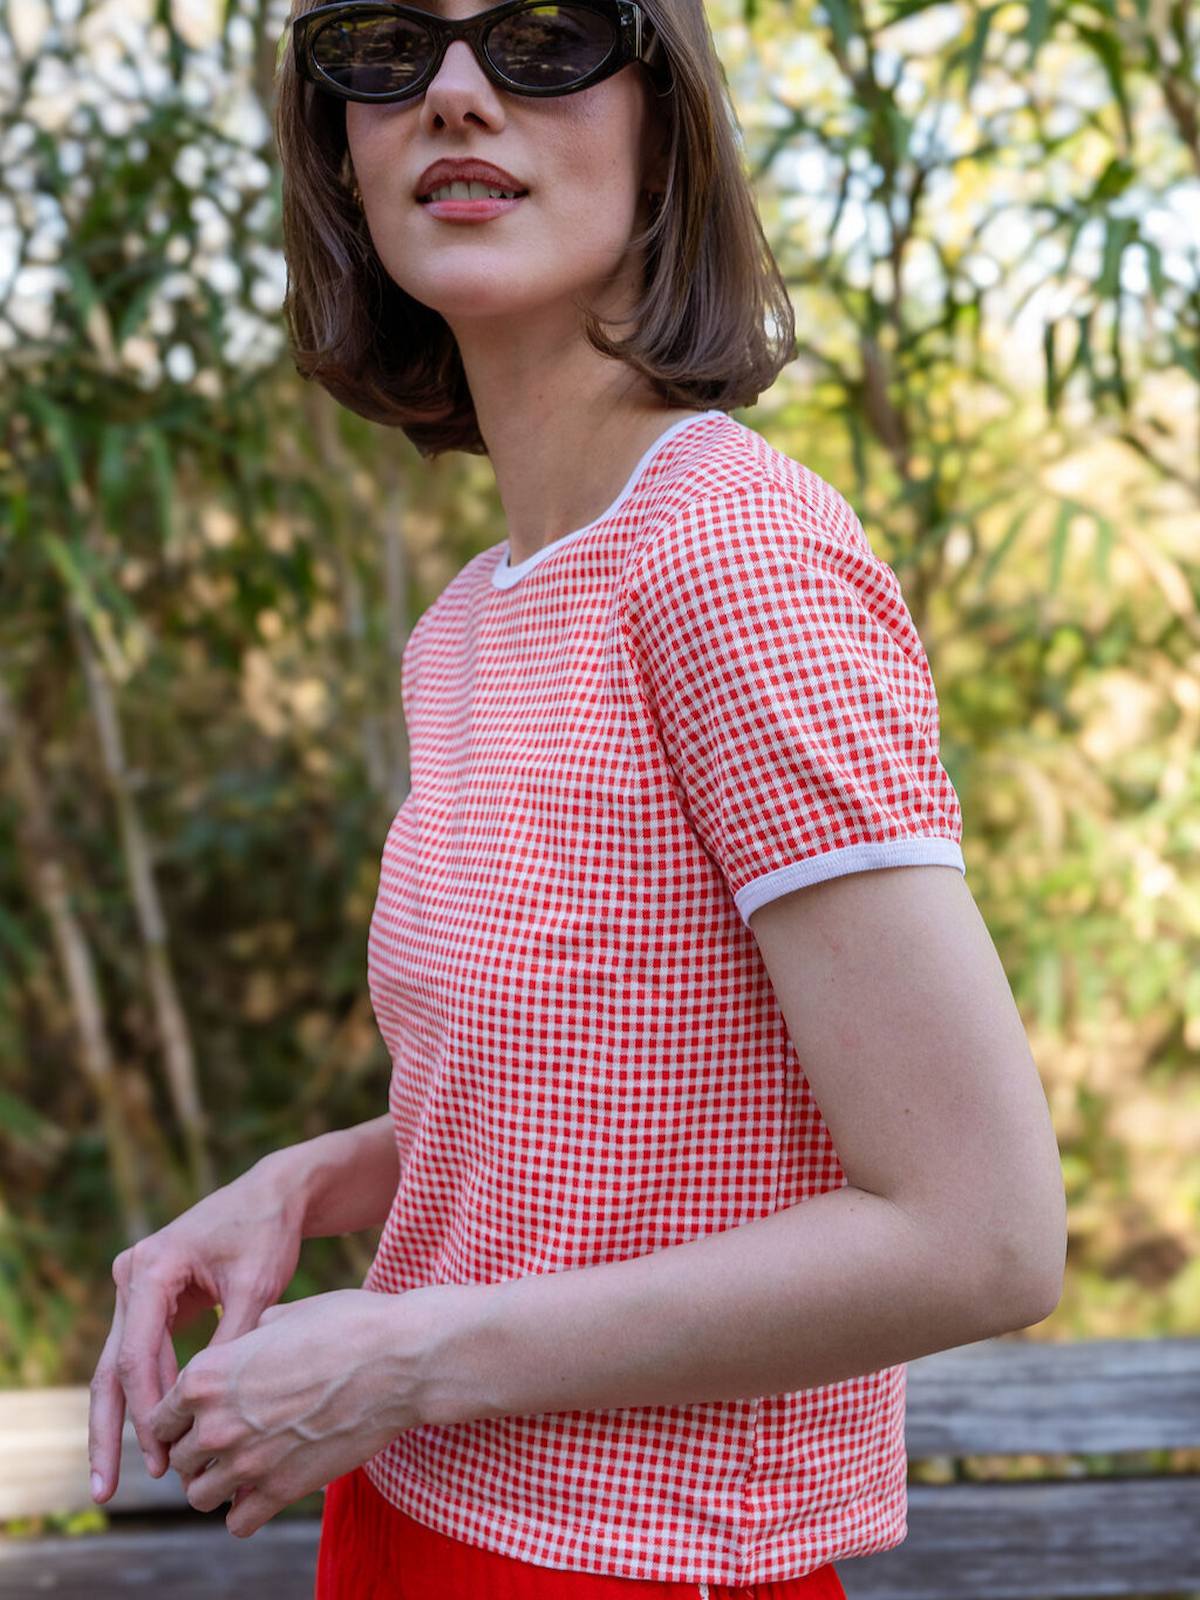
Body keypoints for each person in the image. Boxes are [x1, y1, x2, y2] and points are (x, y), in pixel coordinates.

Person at [87, 0, 1069, 1594]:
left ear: (665, 123)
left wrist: (406, 1357)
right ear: (338, 148)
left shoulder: (733, 559)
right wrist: (309, 1183)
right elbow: (614, 1122)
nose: (457, 94)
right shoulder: (477, 613)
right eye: (387, 46)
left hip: (643, 1565)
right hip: (410, 1523)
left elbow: (985, 1237)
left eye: (540, 37)